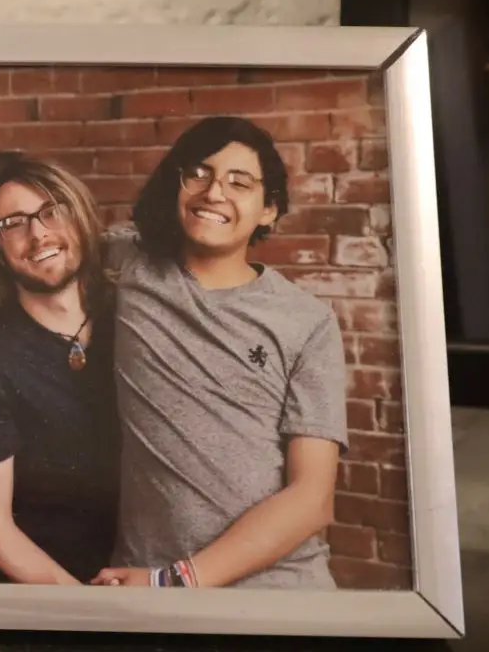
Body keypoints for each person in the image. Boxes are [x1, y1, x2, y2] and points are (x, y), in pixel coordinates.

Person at [92, 116, 348, 590]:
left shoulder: (306, 320)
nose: (214, 193)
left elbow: (313, 497)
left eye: (240, 182)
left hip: (274, 587)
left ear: (268, 210)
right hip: (141, 578)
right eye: (200, 174)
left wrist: (175, 581)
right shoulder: (128, 263)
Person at [0, 155, 122, 585]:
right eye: (13, 223)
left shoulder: (133, 317)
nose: (38, 233)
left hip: (148, 573)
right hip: (49, 595)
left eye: (52, 211)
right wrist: (87, 609)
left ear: (79, 216)